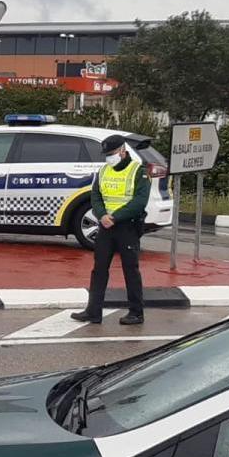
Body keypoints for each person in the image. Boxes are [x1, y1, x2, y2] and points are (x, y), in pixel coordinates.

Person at [71, 134, 151, 326]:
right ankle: (93, 311)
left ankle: (136, 313)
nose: (109, 157)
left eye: (112, 153)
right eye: (106, 154)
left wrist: (115, 217)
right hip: (106, 226)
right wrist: (102, 215)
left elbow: (140, 202)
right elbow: (96, 196)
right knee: (99, 269)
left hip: (127, 226)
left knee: (130, 269)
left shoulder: (138, 171)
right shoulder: (104, 171)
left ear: (123, 151)